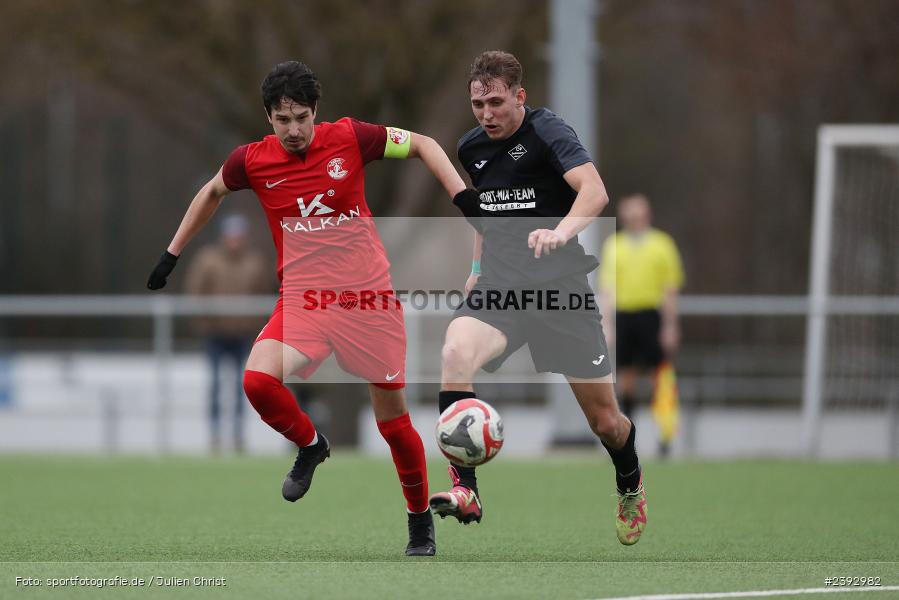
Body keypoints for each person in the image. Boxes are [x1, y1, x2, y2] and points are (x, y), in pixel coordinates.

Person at [147, 61, 467, 556]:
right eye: (282, 119)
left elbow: (423, 143)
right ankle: (311, 445)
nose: (293, 129)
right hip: (305, 301)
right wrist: (172, 254)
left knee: (392, 423)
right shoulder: (251, 161)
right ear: (268, 118)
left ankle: (419, 518)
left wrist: (462, 196)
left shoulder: (351, 138)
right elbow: (211, 191)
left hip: (368, 299)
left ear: (315, 111)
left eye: (301, 117)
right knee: (256, 380)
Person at [431, 50, 647, 546]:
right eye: (478, 104)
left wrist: (560, 231)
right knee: (453, 352)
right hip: (500, 289)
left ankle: (630, 482)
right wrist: (476, 269)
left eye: (497, 102)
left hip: (560, 293)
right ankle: (466, 489)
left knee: (606, 422)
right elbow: (487, 215)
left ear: (520, 96)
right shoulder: (472, 148)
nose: (487, 114)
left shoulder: (550, 132)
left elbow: (593, 192)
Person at [599, 194, 684, 457]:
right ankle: (626, 437)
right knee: (625, 378)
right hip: (625, 316)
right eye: (628, 216)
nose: (633, 220)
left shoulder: (662, 244)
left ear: (646, 215)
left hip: (651, 315)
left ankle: (665, 434)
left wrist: (670, 325)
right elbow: (608, 289)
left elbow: (670, 288)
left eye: (637, 215)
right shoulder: (614, 245)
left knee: (660, 375)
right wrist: (608, 325)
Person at [183, 213, 272, 453]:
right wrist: (204, 323)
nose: (235, 240)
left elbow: (263, 294)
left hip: (244, 334)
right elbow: (195, 291)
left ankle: (237, 436)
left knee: (244, 387)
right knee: (214, 385)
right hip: (215, 334)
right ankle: (214, 436)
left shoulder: (255, 262)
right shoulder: (207, 260)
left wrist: (259, 327)